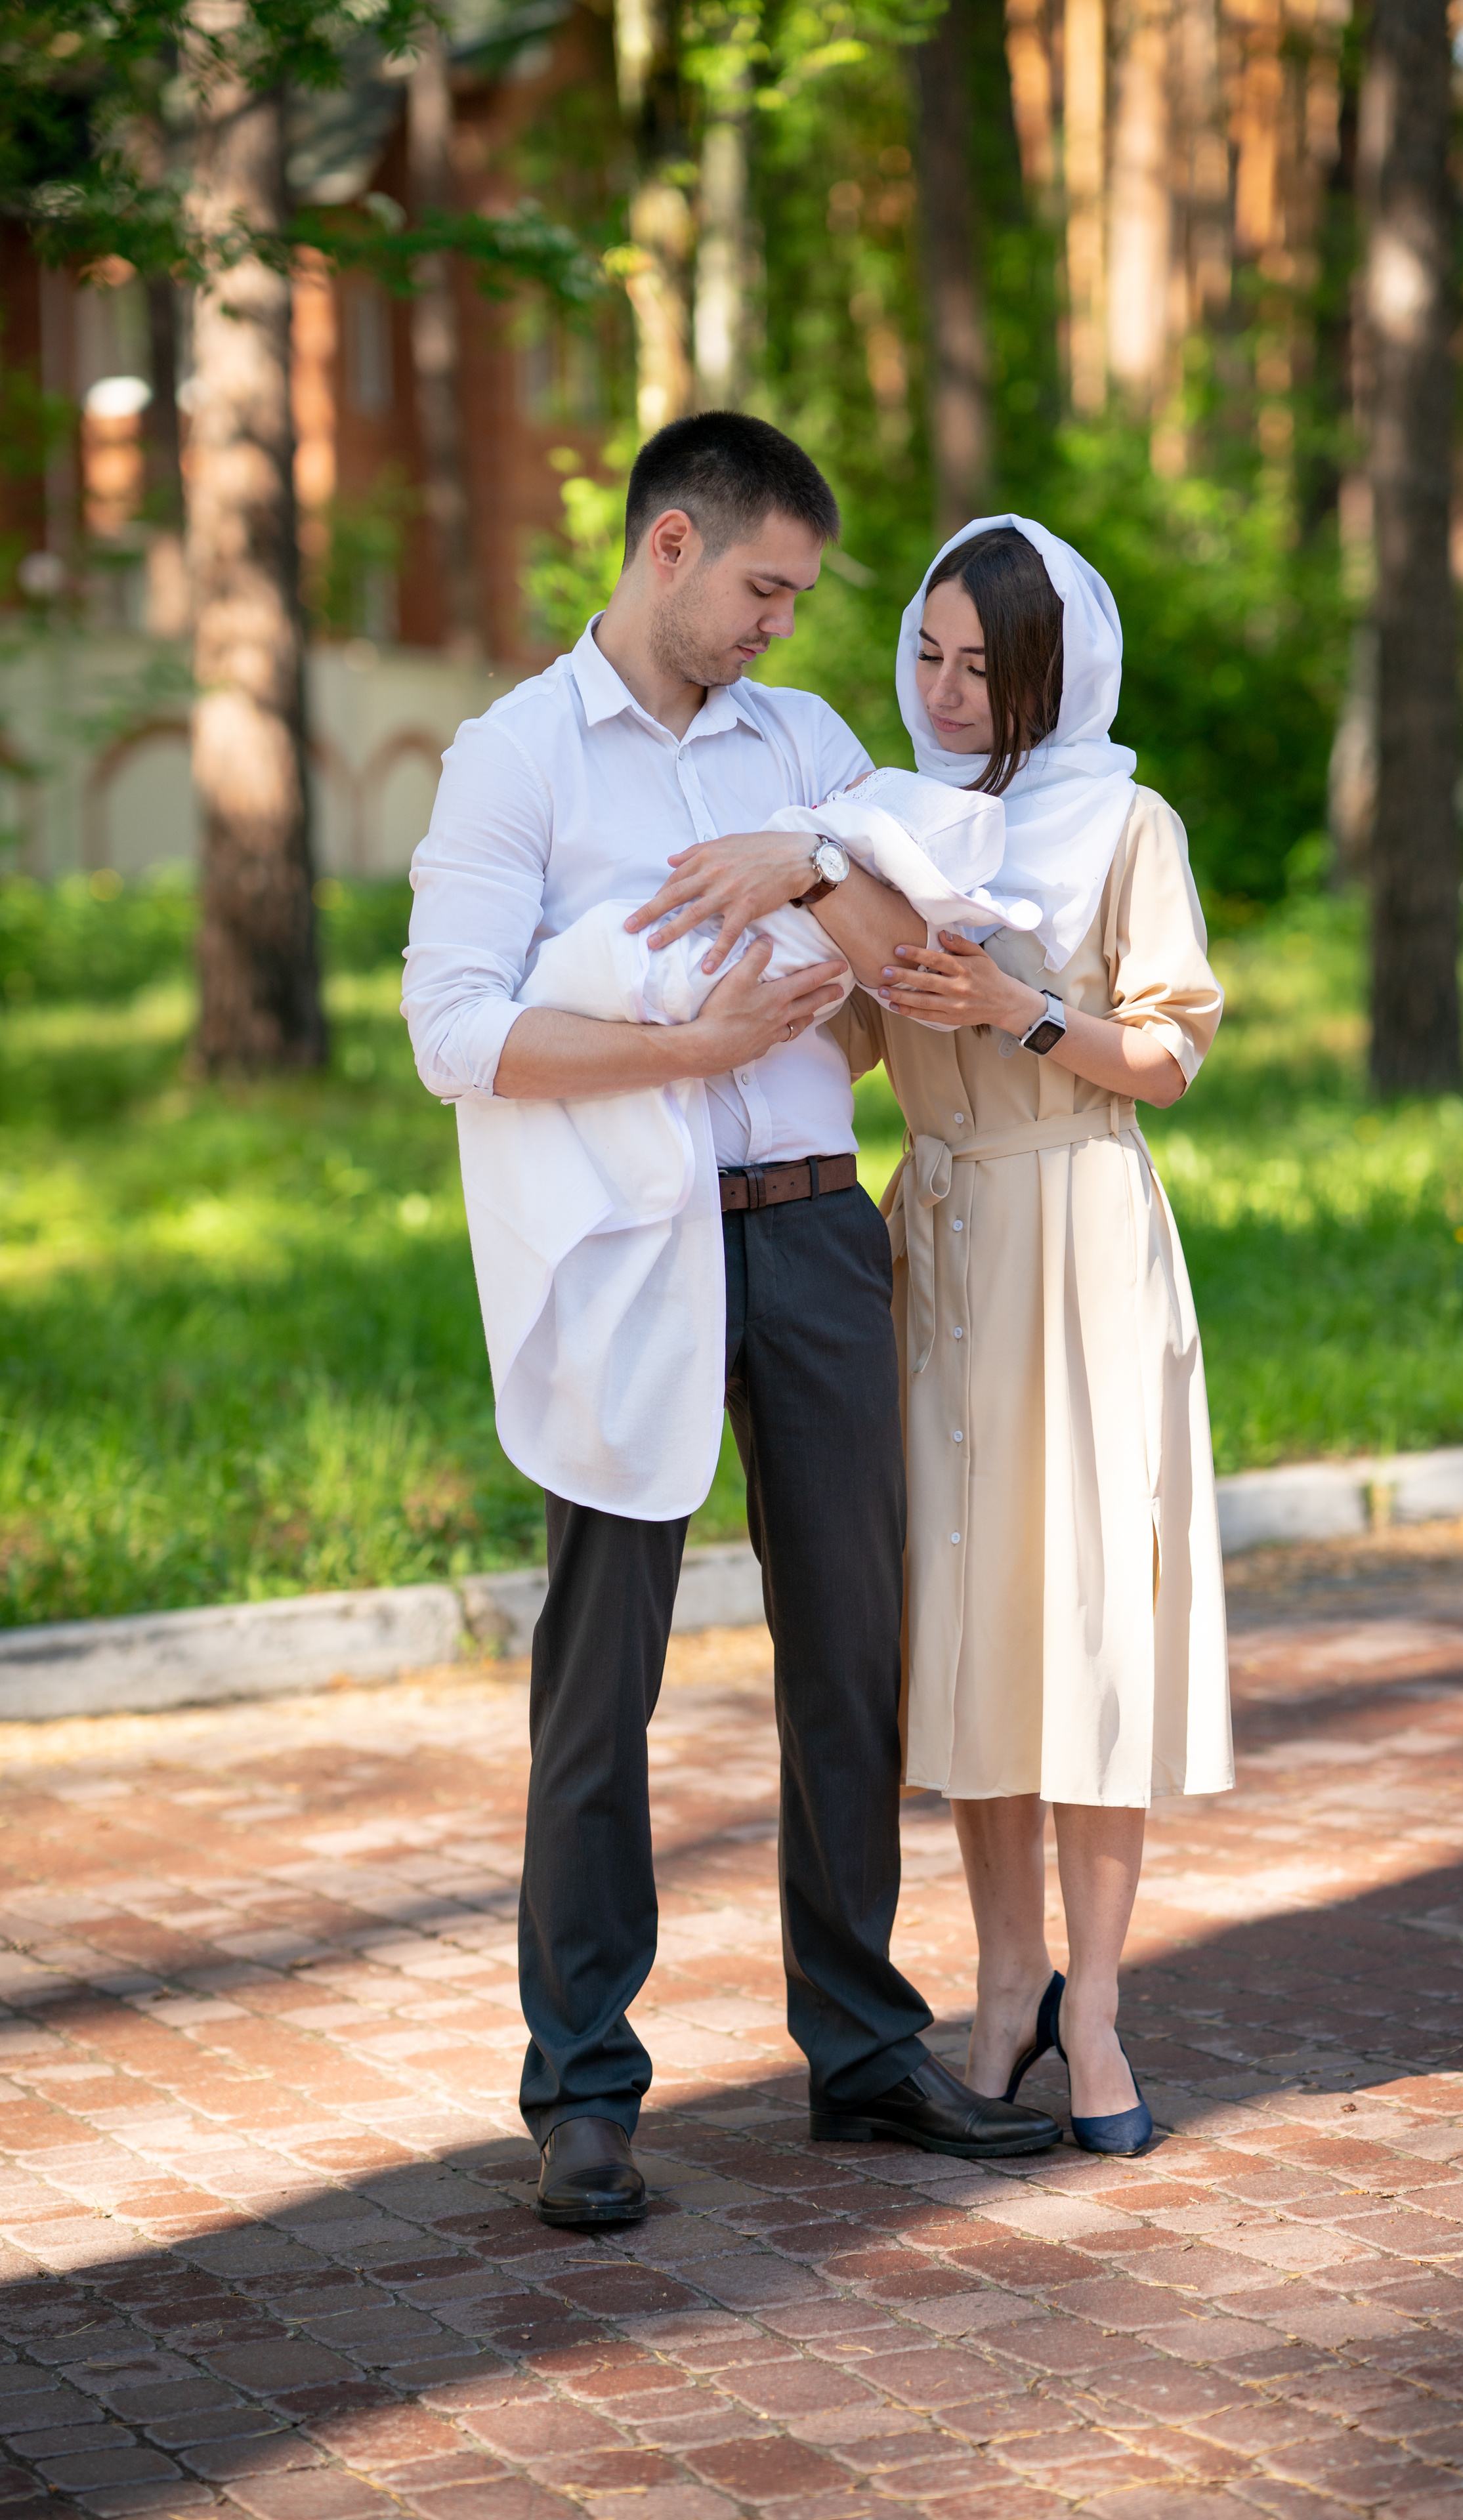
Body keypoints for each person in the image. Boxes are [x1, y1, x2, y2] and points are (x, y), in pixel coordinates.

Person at [402, 418, 1060, 2231]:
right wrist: (683, 1054)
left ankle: (860, 2051)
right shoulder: (514, 759)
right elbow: (454, 1032)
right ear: (672, 545)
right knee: (601, 1665)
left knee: (854, 1648)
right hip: (629, 1244)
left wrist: (797, 861)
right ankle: (585, 2087)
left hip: (818, 1237)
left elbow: (906, 936)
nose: (784, 625)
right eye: (767, 589)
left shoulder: (808, 747)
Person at [826, 516, 1235, 2157]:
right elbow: (855, 1039)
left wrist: (1019, 1009)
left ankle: (1104, 2008)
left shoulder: (1123, 822)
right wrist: (833, 959)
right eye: (924, 652)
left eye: (978, 664)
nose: (941, 689)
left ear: (1047, 672)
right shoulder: (888, 822)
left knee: (1088, 1625)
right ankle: (1004, 1992)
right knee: (974, 1624)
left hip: (1077, 1232)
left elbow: (1171, 1059)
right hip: (932, 1229)